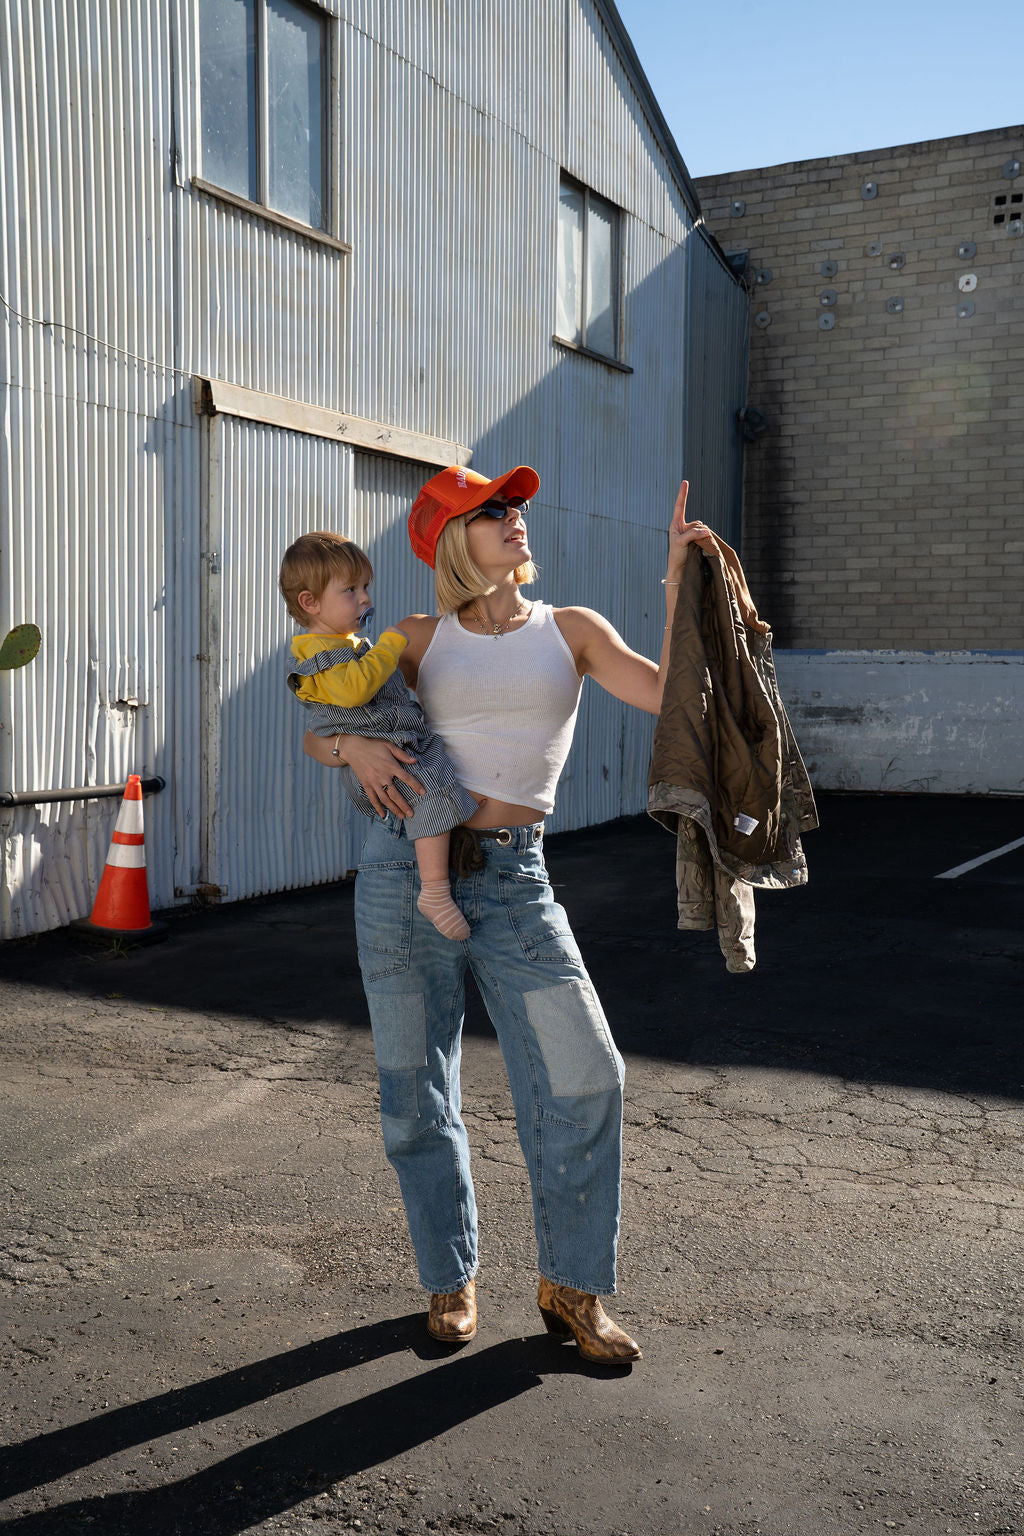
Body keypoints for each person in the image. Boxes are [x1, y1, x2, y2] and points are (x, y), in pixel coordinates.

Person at [303, 464, 708, 1364]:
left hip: (517, 882)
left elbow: (666, 691)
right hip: (401, 875)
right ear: (454, 539)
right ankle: (449, 1278)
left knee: (587, 1075)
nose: (516, 517)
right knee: (416, 1092)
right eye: (494, 511)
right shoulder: (412, 638)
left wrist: (678, 576)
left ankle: (572, 1285)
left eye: (517, 506)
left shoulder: (571, 631)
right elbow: (316, 727)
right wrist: (353, 744)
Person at [280, 530, 478, 939]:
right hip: (388, 757)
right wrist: (391, 643)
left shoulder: (345, 642)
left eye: (365, 586)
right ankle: (435, 892)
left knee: (439, 789)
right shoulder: (317, 654)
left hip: (395, 747)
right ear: (309, 603)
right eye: (350, 590)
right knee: (432, 794)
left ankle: (437, 877)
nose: (365, 598)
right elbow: (356, 688)